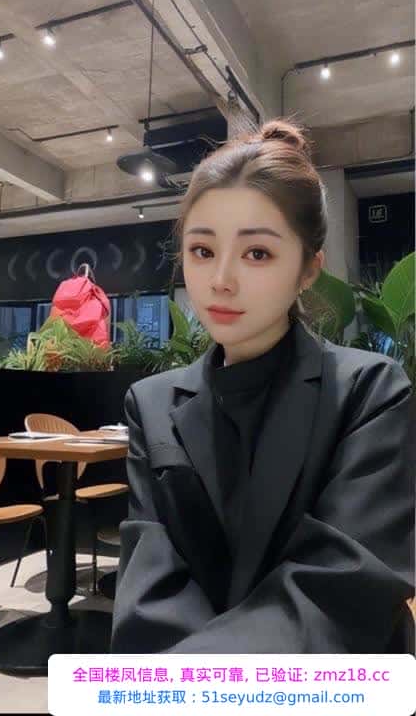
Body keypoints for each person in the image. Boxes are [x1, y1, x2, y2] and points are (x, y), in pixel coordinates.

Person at [110, 119, 415, 654]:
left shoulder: (369, 391)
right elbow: (150, 591)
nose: (220, 280)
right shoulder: (151, 404)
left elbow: (341, 592)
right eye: (202, 251)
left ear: (308, 269)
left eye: (257, 253)